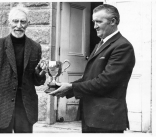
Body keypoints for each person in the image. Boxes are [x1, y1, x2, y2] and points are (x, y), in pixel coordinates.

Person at [49, 4, 135, 133]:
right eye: (94, 22)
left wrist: (72, 88)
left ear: (113, 21)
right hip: (93, 116)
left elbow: (105, 82)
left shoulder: (122, 46)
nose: (95, 26)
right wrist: (66, 86)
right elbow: (89, 78)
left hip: (107, 118)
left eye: (99, 21)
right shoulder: (100, 44)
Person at [0, 5, 46, 133]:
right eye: (15, 21)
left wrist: (40, 73)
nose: (18, 25)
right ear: (9, 23)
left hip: (25, 109)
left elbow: (37, 82)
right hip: (1, 108)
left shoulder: (35, 47)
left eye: (23, 21)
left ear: (28, 24)